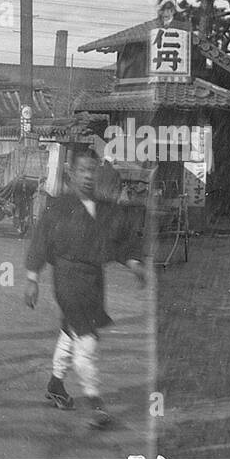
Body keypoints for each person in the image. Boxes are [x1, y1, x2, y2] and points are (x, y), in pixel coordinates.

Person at [24, 151, 145, 429]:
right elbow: (40, 242)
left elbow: (118, 243)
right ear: (72, 173)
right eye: (82, 171)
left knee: (72, 330)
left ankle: (56, 384)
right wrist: (32, 278)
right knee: (87, 340)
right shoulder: (58, 206)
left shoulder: (103, 210)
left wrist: (134, 264)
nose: (88, 176)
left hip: (93, 280)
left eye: (92, 170)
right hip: (67, 278)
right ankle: (96, 403)